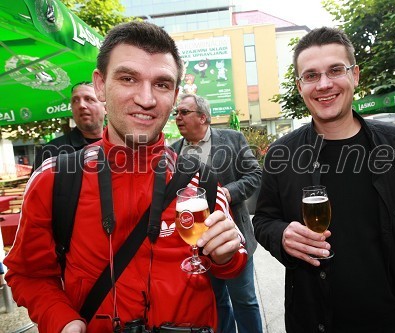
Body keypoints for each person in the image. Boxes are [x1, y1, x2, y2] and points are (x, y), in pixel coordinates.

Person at [5, 21, 246, 333]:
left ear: (174, 96)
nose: (145, 98)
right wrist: (62, 320)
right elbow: (27, 274)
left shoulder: (204, 181)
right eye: (128, 78)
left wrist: (228, 254)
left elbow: (231, 262)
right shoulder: (54, 181)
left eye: (161, 84)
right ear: (100, 85)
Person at [252, 27, 395, 333]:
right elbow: (264, 220)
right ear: (300, 85)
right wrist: (280, 235)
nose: (324, 84)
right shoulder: (282, 153)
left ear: (355, 75)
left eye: (335, 70)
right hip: (313, 320)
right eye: (311, 75)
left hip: (393, 320)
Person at [172, 94, 263, 333]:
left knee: (244, 302)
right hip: (197, 244)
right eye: (176, 113)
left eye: (184, 112)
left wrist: (223, 195)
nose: (177, 118)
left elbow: (255, 176)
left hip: (234, 240)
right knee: (217, 303)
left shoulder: (232, 139)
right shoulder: (172, 152)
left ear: (203, 117)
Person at [32, 81, 106, 170]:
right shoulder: (50, 152)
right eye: (75, 101)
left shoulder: (121, 145)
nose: (81, 105)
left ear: (105, 108)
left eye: (89, 99)